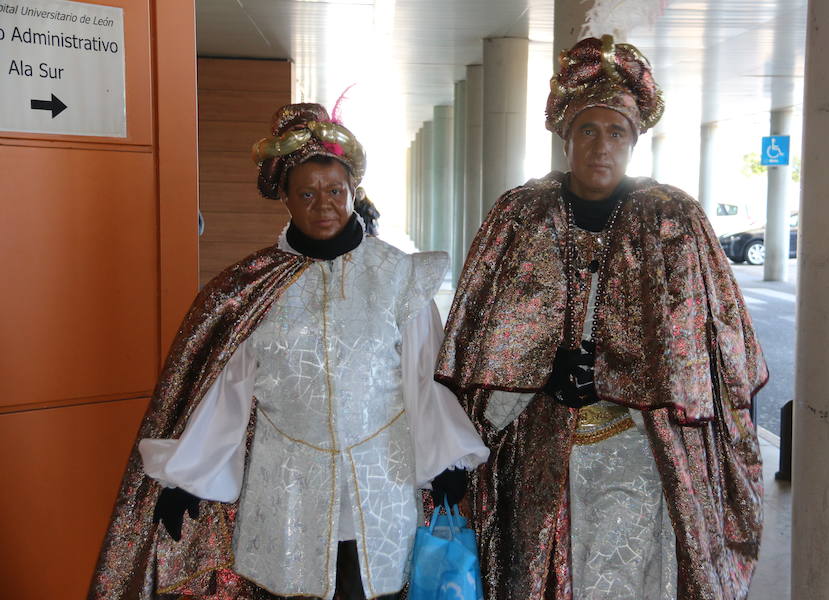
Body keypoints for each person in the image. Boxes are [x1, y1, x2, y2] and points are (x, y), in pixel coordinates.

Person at [89, 102, 488, 600]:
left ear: (353, 191)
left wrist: (446, 460)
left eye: (335, 191)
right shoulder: (253, 288)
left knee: (376, 588)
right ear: (283, 196)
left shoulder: (398, 277)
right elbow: (229, 390)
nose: (324, 204)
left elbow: (424, 378)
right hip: (288, 485)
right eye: (307, 192)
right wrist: (189, 475)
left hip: (382, 479)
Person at [435, 35, 767, 600]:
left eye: (617, 132)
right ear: (566, 136)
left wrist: (624, 377)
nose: (601, 147)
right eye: (588, 130)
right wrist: (534, 376)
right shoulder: (520, 214)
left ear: (634, 141)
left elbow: (712, 348)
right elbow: (481, 340)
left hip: (637, 447)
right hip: (536, 445)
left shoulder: (673, 219)